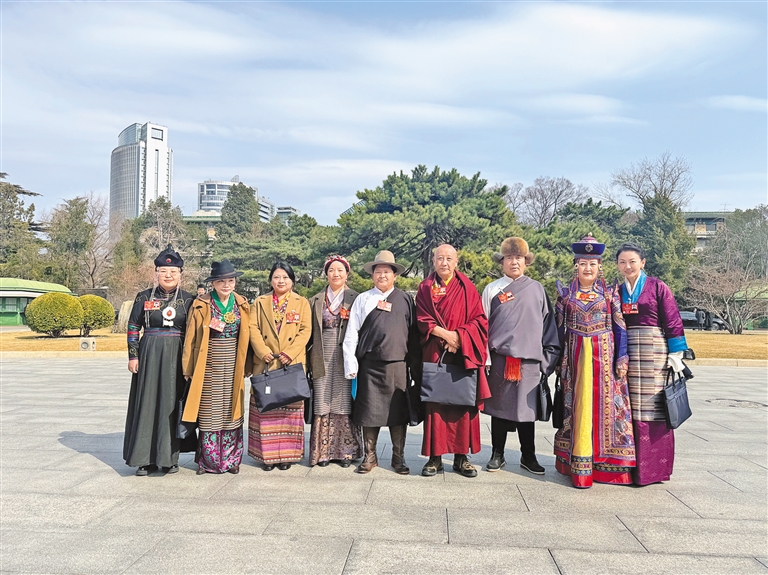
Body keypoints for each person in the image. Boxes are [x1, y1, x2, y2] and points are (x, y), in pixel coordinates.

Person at [554, 235, 635, 488]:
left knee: (608, 410)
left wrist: (622, 357)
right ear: (575, 266)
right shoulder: (565, 295)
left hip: (605, 361)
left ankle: (608, 466)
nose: (587, 268)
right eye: (583, 264)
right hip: (575, 360)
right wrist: (557, 361)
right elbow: (557, 331)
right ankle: (578, 466)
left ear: (600, 266)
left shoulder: (610, 294)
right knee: (578, 408)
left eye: (592, 264)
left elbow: (620, 328)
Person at [481, 238, 560, 475]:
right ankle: (497, 454)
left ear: (526, 262)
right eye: (509, 258)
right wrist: (485, 359)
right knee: (498, 409)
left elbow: (549, 326)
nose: (514, 262)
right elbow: (482, 326)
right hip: (500, 360)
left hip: (529, 361)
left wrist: (546, 361)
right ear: (502, 262)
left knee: (527, 411)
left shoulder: (537, 289)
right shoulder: (492, 289)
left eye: (519, 258)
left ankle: (529, 455)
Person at [343, 250, 421, 475]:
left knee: (399, 413)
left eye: (387, 271)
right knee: (369, 412)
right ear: (372, 275)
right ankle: (370, 456)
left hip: (397, 364)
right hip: (369, 365)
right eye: (378, 271)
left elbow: (413, 335)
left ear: (394, 275)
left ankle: (398, 457)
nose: (382, 275)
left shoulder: (405, 299)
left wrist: (415, 367)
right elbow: (352, 333)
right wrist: (350, 363)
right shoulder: (363, 299)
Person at [415, 244, 490, 478]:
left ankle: (461, 458)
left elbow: (480, 320)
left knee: (462, 403)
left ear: (456, 262)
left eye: (449, 258)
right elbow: (422, 318)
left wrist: (459, 337)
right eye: (440, 258)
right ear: (433, 261)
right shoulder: (425, 287)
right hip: (435, 352)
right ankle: (434, 458)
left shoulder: (467, 287)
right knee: (435, 404)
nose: (444, 263)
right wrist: (446, 335)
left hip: (461, 354)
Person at [617, 242, 687, 485]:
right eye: (622, 262)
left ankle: (654, 470)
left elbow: (673, 320)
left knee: (654, 407)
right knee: (628, 406)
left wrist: (675, 354)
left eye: (632, 261)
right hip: (627, 350)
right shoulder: (617, 290)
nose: (627, 266)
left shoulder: (658, 286)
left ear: (642, 262)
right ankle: (629, 467)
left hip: (654, 351)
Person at [123, 245, 196, 476]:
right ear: (156, 273)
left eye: (173, 271)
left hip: (176, 357)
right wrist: (133, 355)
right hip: (149, 355)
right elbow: (133, 326)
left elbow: (195, 332)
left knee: (171, 405)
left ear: (180, 274)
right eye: (163, 271)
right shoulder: (144, 297)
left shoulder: (189, 299)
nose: (168, 275)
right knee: (147, 403)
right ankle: (143, 459)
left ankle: (169, 458)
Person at [181, 260, 251, 475]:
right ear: (213, 283)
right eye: (221, 281)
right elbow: (191, 337)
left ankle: (231, 460)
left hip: (233, 362)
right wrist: (188, 368)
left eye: (230, 281)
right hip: (208, 362)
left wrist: (248, 365)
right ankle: (208, 461)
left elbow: (247, 338)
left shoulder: (242, 303)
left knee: (232, 409)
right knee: (209, 410)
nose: (226, 285)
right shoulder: (202, 303)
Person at [248, 261, 312, 471]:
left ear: (292, 280)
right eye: (276, 277)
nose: (281, 281)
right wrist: (262, 350)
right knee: (265, 413)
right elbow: (253, 328)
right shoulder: (260, 302)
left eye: (285, 277)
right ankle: (266, 457)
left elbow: (305, 330)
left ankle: (287, 456)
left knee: (289, 414)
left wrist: (290, 353)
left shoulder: (301, 302)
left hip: (290, 363)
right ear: (270, 280)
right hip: (266, 361)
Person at [307, 255, 363, 467]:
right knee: (322, 400)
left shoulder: (356, 298)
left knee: (343, 400)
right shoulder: (315, 300)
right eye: (331, 270)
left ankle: (346, 452)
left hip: (345, 354)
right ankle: (322, 453)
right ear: (326, 274)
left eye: (340, 270)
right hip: (321, 353)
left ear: (347, 273)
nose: (336, 274)